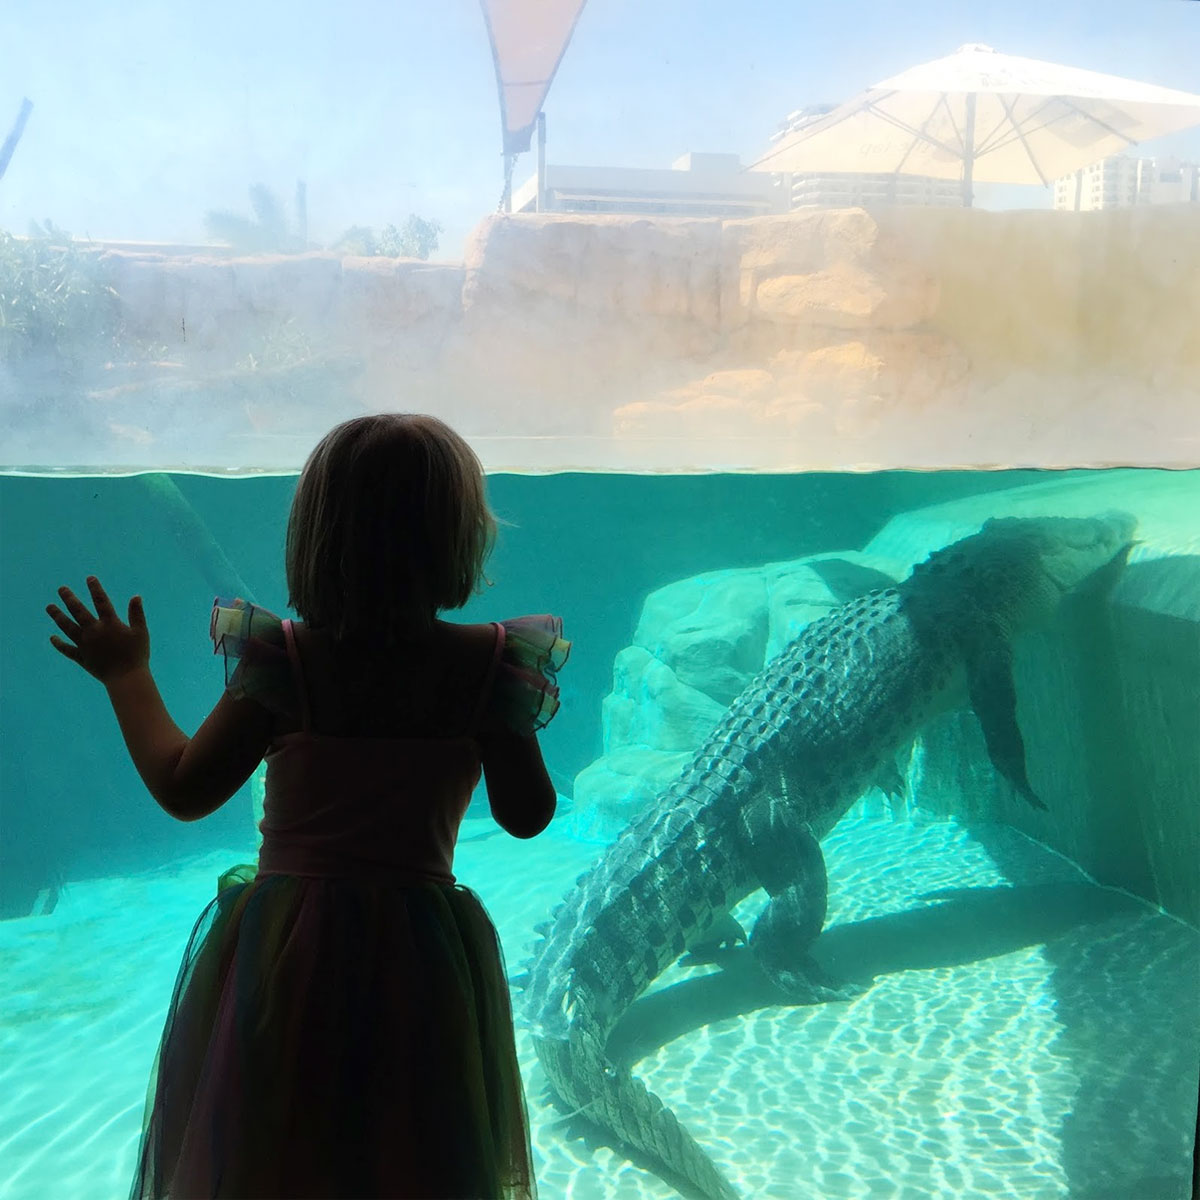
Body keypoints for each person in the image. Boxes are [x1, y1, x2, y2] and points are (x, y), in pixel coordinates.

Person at [46, 413, 569, 1200]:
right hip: (422, 959)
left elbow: (184, 790)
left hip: (288, 955)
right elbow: (528, 815)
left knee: (277, 1154)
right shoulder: (490, 665)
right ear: (458, 539)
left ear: (316, 535)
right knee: (418, 1152)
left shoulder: (285, 662)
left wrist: (127, 675)